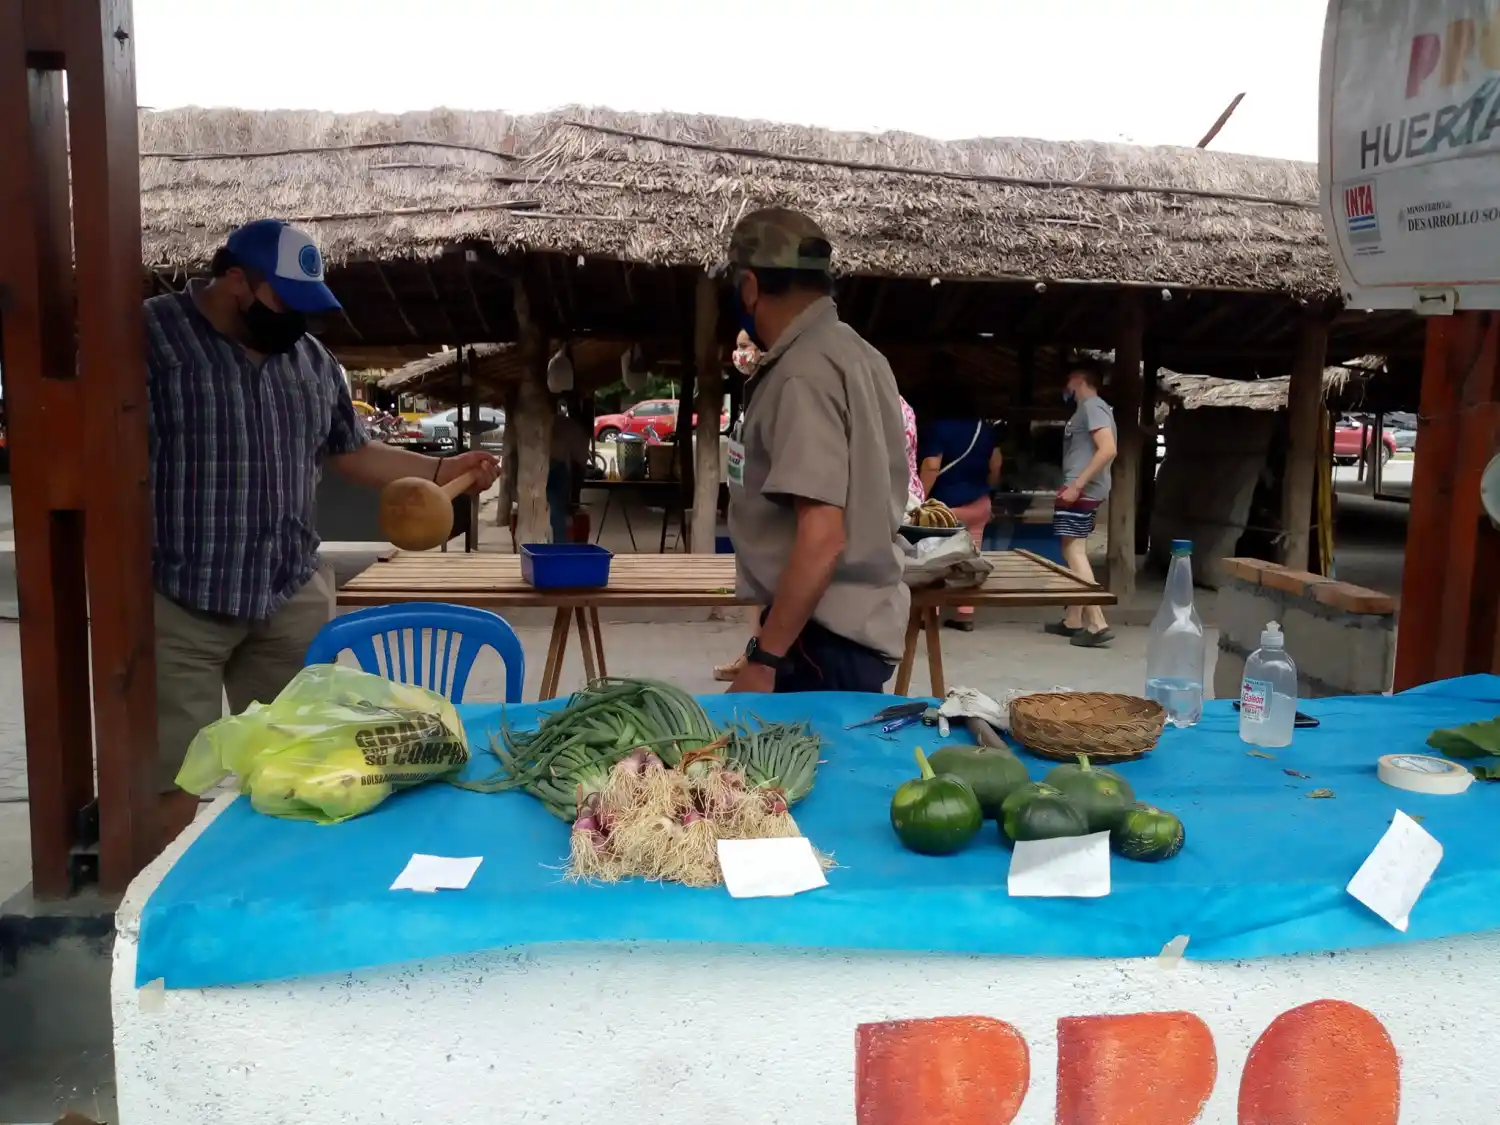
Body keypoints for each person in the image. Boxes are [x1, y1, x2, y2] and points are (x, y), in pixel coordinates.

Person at [147, 219, 499, 843]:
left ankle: (278, 901)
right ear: (237, 282)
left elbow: (352, 453)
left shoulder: (313, 363)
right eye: (287, 301)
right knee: (177, 778)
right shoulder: (150, 336)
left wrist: (444, 468)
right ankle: (173, 915)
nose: (299, 320)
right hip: (181, 597)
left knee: (307, 765)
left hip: (287, 594)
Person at [723, 207, 910, 694]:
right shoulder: (861, 354)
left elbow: (822, 535)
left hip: (818, 640)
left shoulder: (800, 374)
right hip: (848, 630)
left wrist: (765, 658)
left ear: (749, 288)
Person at [1046, 357, 1118, 647]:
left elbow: (1108, 449)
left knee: (1073, 549)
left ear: (1079, 379)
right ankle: (1073, 619)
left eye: (1068, 381)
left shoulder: (1092, 406)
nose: (1066, 388)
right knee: (1074, 549)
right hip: (1084, 488)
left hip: (1082, 489)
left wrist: (1077, 484)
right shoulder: (1089, 409)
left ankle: (1097, 622)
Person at [917, 394, 1002, 631]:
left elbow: (932, 465)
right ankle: (965, 614)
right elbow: (996, 465)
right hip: (979, 504)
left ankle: (928, 613)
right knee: (970, 558)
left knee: (933, 558)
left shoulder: (938, 428)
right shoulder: (984, 430)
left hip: (944, 506)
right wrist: (988, 492)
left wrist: (919, 498)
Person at [547, 394, 589, 543]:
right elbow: (579, 463)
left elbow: (578, 463)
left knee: (556, 512)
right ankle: (560, 548)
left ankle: (559, 547)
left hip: (556, 468)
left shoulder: (568, 426)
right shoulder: (571, 426)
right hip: (555, 468)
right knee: (557, 512)